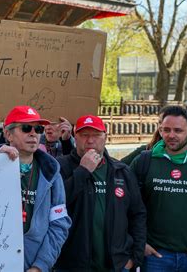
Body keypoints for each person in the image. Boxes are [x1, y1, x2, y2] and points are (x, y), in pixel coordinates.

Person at [55, 114, 146, 271]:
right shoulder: (60, 166)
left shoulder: (121, 171)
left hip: (117, 265)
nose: (90, 141)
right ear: (75, 137)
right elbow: (57, 204)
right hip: (73, 265)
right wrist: (83, 171)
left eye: (96, 135)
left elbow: (137, 214)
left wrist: (135, 258)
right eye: (84, 135)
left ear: (105, 137)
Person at [0, 106, 71, 272]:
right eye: (26, 128)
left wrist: (40, 266)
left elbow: (59, 224)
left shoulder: (51, 172)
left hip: (34, 265)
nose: (33, 134)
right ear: (8, 134)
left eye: (38, 129)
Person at [130, 106, 187, 271]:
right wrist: (140, 243)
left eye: (178, 130)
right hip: (155, 256)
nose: (171, 135)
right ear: (160, 130)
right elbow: (125, 205)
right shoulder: (144, 161)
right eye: (166, 130)